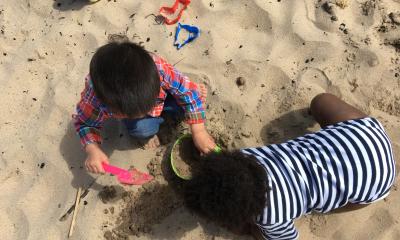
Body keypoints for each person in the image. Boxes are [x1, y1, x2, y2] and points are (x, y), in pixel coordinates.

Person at [182, 93, 396, 240]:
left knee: (338, 203)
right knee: (321, 101)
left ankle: (333, 205)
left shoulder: (272, 217)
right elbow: (222, 166)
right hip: (363, 135)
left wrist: (250, 231)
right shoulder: (247, 157)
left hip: (378, 181)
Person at [73, 41, 216, 174]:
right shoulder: (94, 97)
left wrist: (199, 131)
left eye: (145, 109)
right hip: (147, 104)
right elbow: (84, 123)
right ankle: (147, 118)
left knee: (191, 95)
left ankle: (176, 96)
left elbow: (187, 93)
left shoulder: (158, 69)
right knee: (142, 129)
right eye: (131, 114)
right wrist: (93, 150)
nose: (141, 114)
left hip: (162, 98)